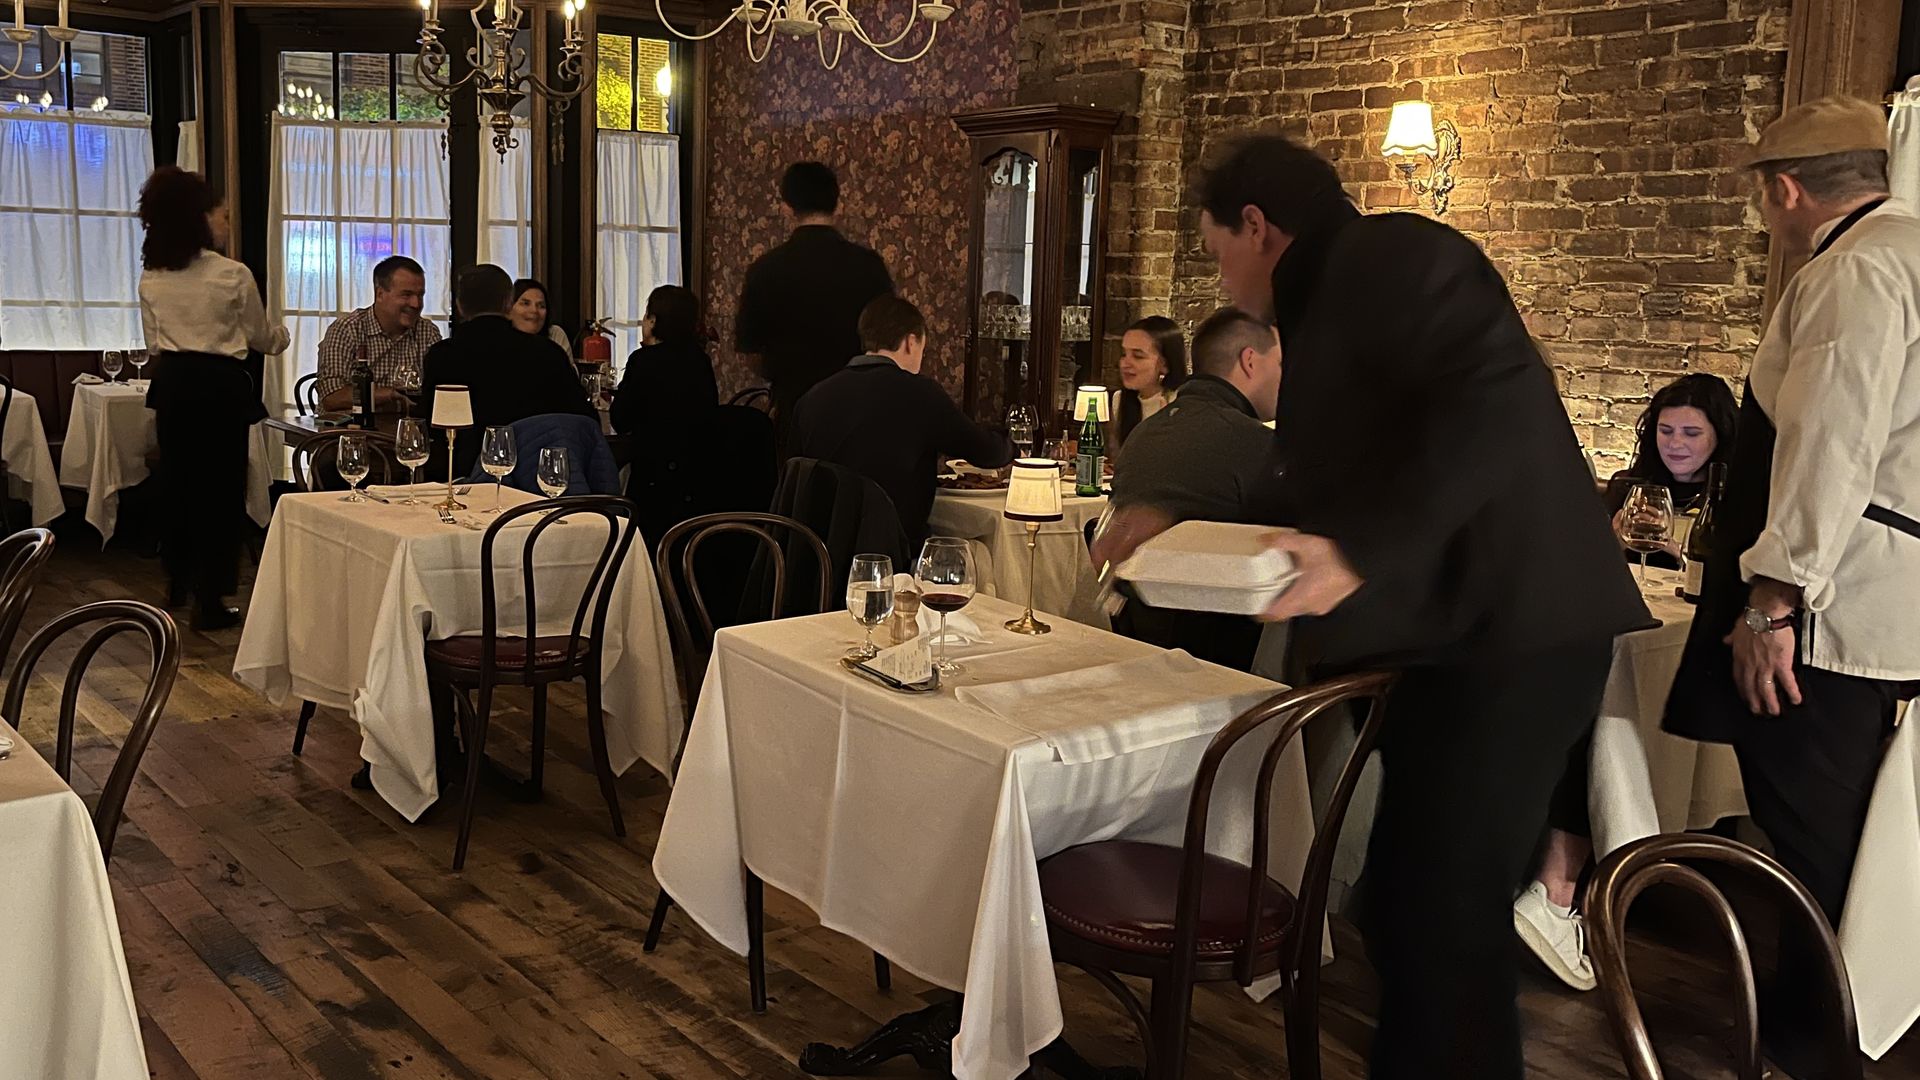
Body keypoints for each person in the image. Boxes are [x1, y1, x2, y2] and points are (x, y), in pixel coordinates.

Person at [1096, 135, 1647, 1080]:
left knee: (1441, 914)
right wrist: (1172, 515)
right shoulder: (1335, 296)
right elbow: (1329, 482)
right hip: (1456, 649)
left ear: (1257, 226)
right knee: (1405, 904)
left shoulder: (1396, 254)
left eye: (1216, 247)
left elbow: (1500, 410)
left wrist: (1360, 552)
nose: (1220, 273)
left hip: (1512, 639)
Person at [1665, 96, 1920, 1073]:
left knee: (1816, 843)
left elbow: (1830, 448)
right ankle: (1822, 1029)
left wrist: (1774, 600)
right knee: (1843, 831)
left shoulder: (1856, 269)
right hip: (1884, 600)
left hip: (1832, 610)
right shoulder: (1908, 251)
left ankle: (1817, 1049)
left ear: (1784, 188)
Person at [136, 166, 290, 630]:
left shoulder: (152, 277)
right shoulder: (231, 275)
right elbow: (262, 338)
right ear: (199, 219)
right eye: (221, 216)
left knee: (177, 484)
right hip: (219, 389)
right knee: (220, 493)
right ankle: (210, 599)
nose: (226, 224)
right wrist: (283, 335)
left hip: (175, 386)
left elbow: (153, 346)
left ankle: (177, 580)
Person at [1106, 308, 1282, 670]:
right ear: (1250, 361)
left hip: (1138, 645)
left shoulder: (1143, 433)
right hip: (1223, 666)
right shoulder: (1254, 444)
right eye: (1281, 362)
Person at [788, 296, 1013, 549]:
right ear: (910, 341)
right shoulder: (919, 394)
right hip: (890, 555)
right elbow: (985, 452)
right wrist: (1012, 444)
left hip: (815, 555)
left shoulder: (812, 398)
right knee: (976, 553)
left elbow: (792, 477)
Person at [735, 162, 895, 443]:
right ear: (838, 205)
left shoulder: (766, 269)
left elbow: (750, 350)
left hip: (794, 403)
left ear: (786, 208)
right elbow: (889, 340)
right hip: (859, 406)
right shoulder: (869, 267)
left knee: (798, 482)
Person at [422, 265, 596, 478]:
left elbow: (434, 428)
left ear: (459, 306)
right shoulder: (547, 353)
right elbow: (584, 420)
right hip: (538, 485)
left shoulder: (443, 356)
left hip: (465, 481)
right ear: (508, 303)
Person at [611, 284, 721, 542]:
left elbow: (620, 419)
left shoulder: (644, 360)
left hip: (653, 477)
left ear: (654, 320)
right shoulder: (700, 360)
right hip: (697, 476)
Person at [316, 255, 440, 412]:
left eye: (420, 295)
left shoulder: (427, 332)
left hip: (404, 429)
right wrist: (390, 394)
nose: (416, 304)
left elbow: (438, 391)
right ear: (380, 294)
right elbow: (332, 397)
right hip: (349, 431)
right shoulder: (347, 329)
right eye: (406, 295)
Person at [1110, 315, 1188, 456]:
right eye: (1124, 354)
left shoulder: (1181, 402)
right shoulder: (1120, 399)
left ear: (1164, 364)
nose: (1125, 364)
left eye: (1138, 356)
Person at [510, 278, 574, 355]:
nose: (534, 310)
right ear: (509, 307)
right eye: (526, 303)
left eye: (541, 306)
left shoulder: (555, 334)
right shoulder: (498, 340)